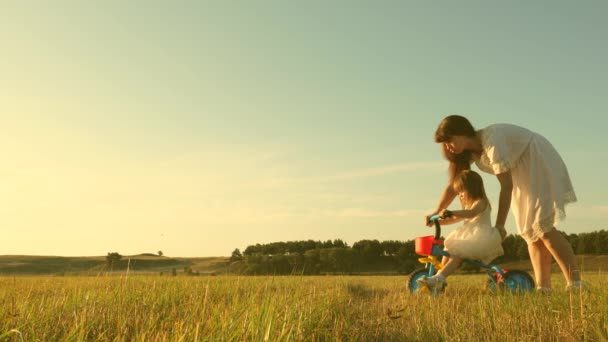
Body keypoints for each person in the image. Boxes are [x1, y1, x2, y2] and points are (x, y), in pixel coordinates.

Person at [427, 115, 581, 292]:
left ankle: (576, 284)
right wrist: (436, 212)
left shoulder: (492, 141)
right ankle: (543, 288)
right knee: (530, 233)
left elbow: (506, 186)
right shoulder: (469, 153)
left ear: (461, 133)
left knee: (543, 228)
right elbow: (453, 186)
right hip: (519, 171)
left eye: (449, 141)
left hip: (535, 159)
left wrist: (499, 224)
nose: (448, 147)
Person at [417, 170, 504, 290]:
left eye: (462, 191)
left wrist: (451, 212)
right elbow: (453, 219)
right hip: (470, 236)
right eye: (458, 192)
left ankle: (439, 277)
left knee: (457, 253)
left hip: (480, 238)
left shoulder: (481, 202)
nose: (460, 195)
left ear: (473, 188)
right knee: (448, 248)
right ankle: (440, 274)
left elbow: (470, 213)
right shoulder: (468, 206)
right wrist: (436, 221)